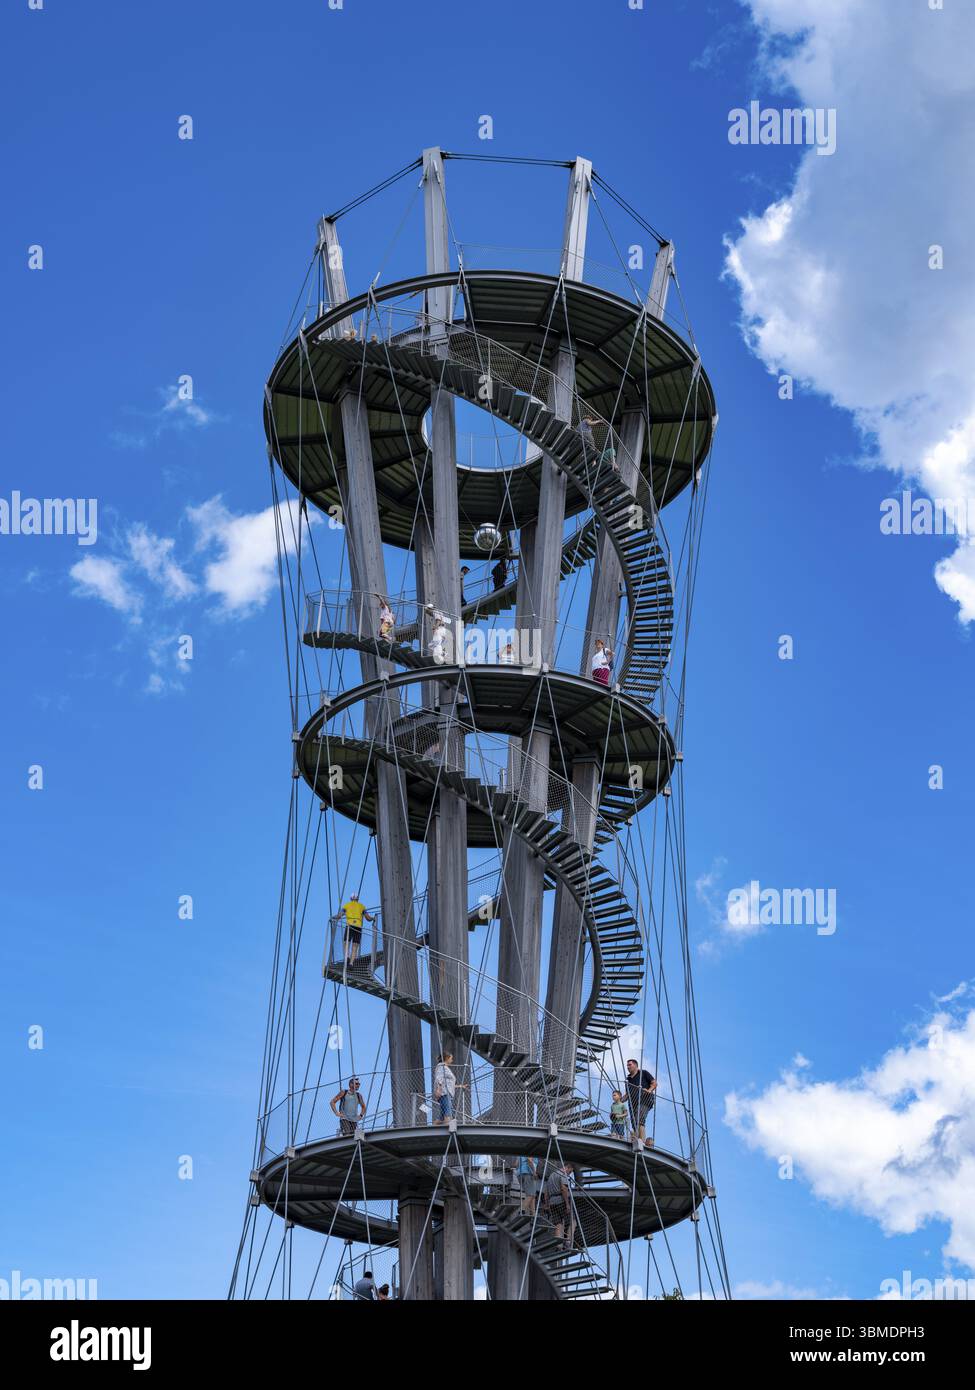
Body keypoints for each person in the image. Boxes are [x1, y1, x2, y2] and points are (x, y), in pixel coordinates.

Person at [336, 893, 374, 964]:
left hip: (350, 926)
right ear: (357, 899)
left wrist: (335, 917)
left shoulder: (346, 905)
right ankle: (351, 963)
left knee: (346, 942)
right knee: (355, 945)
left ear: (351, 899)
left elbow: (340, 915)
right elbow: (368, 918)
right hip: (358, 927)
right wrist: (373, 918)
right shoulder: (362, 906)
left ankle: (347, 957)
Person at [625, 1058, 657, 1143]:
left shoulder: (644, 1073)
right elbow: (628, 1094)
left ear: (635, 1065)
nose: (628, 1067)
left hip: (645, 1100)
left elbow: (654, 1083)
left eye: (630, 1065)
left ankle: (641, 1141)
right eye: (627, 1065)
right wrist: (620, 1100)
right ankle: (636, 1139)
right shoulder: (628, 1079)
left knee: (639, 1120)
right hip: (633, 1103)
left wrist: (649, 1090)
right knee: (635, 1123)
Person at [545, 1163, 576, 1250]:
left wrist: (547, 1204)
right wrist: (567, 1204)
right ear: (568, 1167)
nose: (570, 1174)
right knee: (573, 1222)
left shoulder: (551, 1176)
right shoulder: (562, 1174)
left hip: (552, 1202)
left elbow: (546, 1192)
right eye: (570, 1171)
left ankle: (558, 1245)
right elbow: (563, 1189)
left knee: (558, 1224)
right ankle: (568, 1243)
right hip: (561, 1200)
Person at [433, 1052, 466, 1124]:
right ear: (447, 1058)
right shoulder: (442, 1067)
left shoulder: (444, 1067)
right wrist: (438, 1089)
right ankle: (447, 1130)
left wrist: (460, 1086)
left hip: (447, 1093)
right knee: (448, 1113)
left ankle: (430, 1130)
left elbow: (448, 1083)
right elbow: (439, 1078)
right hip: (445, 1093)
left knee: (441, 1117)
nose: (452, 1060)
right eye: (451, 1058)